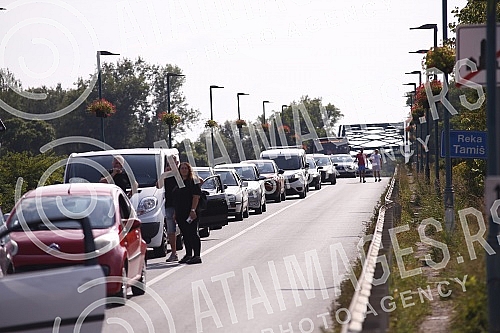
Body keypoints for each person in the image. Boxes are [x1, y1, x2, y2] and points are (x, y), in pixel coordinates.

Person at [172, 162, 202, 264]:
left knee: (193, 233)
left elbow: (196, 196)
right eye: (182, 168)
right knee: (185, 234)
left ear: (189, 170)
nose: (184, 170)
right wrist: (175, 213)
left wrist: (193, 210)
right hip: (181, 213)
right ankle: (188, 254)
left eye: (186, 168)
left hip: (191, 212)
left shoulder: (192, 181)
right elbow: (177, 199)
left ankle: (197, 256)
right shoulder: (178, 182)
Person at [156, 155, 182, 262]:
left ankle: (191, 252)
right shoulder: (166, 175)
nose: (172, 164)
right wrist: (164, 175)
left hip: (181, 206)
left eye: (174, 162)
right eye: (169, 163)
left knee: (185, 229)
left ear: (177, 163)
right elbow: (158, 186)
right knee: (171, 230)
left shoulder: (181, 174)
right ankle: (174, 253)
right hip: (169, 205)